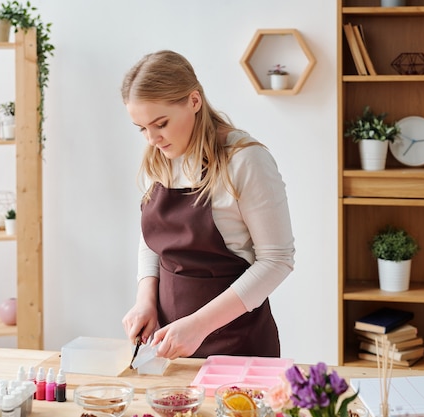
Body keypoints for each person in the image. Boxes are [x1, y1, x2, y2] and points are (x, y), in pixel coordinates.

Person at [120, 50, 295, 360]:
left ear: (194, 101)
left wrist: (199, 325)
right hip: (168, 346)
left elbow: (277, 260)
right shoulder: (159, 159)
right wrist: (145, 299)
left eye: (160, 123)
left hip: (236, 344)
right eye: (142, 128)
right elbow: (152, 242)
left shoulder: (245, 160)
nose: (152, 139)